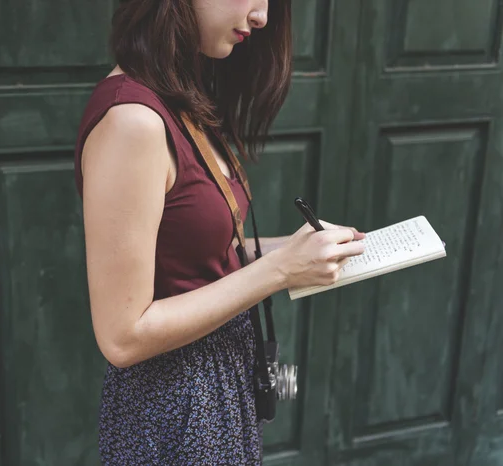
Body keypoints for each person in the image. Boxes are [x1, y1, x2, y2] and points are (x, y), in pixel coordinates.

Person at [74, 0, 366, 464]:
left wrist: (301, 253)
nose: (262, 17)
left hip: (214, 390)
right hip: (173, 411)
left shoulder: (178, 96)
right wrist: (279, 270)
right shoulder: (132, 121)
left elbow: (205, 256)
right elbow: (122, 336)